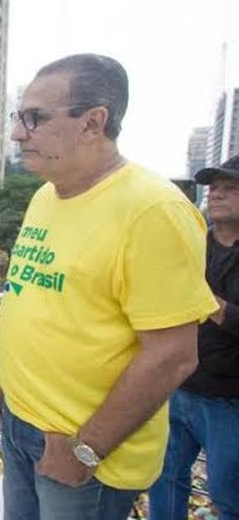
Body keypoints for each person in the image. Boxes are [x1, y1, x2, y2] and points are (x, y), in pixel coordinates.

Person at [0, 53, 217, 520]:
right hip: (18, 423)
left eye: (34, 118)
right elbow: (33, 298)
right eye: (19, 116)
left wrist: (85, 451)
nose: (17, 132)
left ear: (94, 122)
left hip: (81, 452)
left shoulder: (153, 210)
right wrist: (4, 386)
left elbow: (172, 354)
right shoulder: (44, 195)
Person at [148, 155, 239, 519]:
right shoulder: (192, 240)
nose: (216, 194)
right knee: (164, 478)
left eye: (230, 188)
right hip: (178, 385)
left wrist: (210, 304)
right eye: (213, 187)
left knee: (228, 497)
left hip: (228, 399)